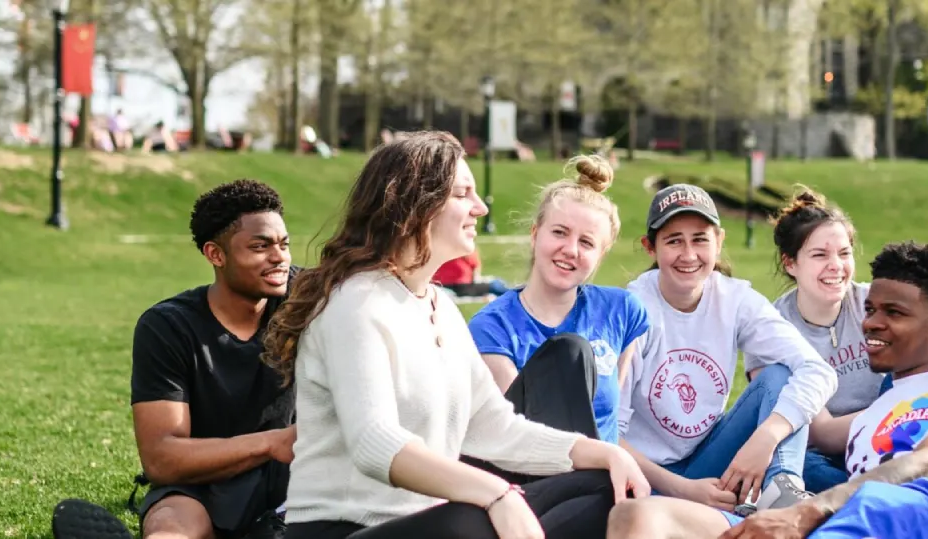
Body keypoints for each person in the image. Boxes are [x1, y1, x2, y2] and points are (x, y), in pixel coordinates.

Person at [260, 131, 649, 539]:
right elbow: (374, 444)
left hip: (426, 524)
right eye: (464, 194)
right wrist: (498, 493)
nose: (480, 208)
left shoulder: (441, 307)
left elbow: (492, 426)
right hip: (343, 529)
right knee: (473, 521)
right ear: (416, 204)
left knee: (606, 485)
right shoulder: (355, 304)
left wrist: (600, 452)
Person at [609, 241, 928, 539]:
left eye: (893, 312)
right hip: (837, 517)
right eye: (869, 310)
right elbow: (811, 416)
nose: (870, 323)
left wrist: (806, 511)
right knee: (639, 518)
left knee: (870, 508)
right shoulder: (871, 416)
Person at [620, 183, 839, 513]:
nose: (689, 254)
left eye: (700, 239)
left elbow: (817, 371)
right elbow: (604, 430)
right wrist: (683, 489)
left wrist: (765, 437)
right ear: (650, 247)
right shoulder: (634, 310)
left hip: (710, 458)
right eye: (674, 240)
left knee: (779, 377)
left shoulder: (735, 300)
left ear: (719, 241)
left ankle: (782, 493)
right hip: (644, 477)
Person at [125, 179, 299, 539]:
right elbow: (161, 458)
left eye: (284, 244)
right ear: (215, 255)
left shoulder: (307, 299)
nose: (279, 256)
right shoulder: (168, 326)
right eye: (260, 246)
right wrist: (272, 443)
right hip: (205, 476)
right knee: (172, 525)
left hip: (297, 477)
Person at [467, 154, 651, 446]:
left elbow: (607, 421)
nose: (571, 249)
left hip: (604, 479)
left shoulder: (622, 311)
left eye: (587, 242)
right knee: (571, 351)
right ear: (535, 235)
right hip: (535, 478)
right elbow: (520, 434)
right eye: (559, 233)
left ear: (600, 255)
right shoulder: (492, 327)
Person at [766, 187, 878, 494]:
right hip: (822, 456)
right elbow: (824, 434)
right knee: (800, 468)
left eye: (844, 253)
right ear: (790, 263)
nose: (836, 266)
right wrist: (898, 414)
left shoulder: (874, 303)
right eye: (819, 255)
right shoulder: (772, 327)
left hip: (887, 444)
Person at [434, 253, 510, 301]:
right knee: (495, 284)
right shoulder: (463, 248)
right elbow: (475, 266)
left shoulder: (438, 248)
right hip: (463, 286)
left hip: (443, 285)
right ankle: (514, 295)